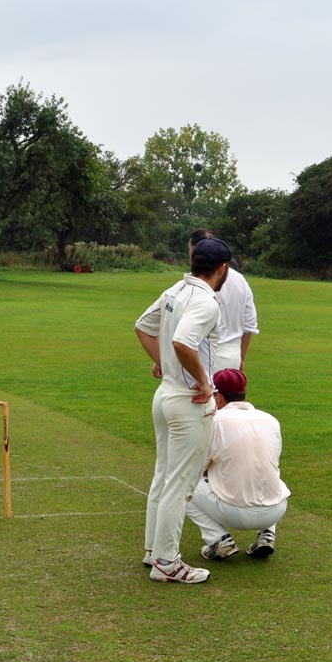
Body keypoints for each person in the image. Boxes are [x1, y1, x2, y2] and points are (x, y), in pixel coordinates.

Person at [134, 237, 233, 584]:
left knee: (164, 475)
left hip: (165, 396)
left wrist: (162, 363)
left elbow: (143, 327)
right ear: (223, 268)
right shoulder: (207, 302)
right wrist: (205, 383)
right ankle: (166, 562)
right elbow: (182, 342)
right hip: (188, 402)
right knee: (181, 483)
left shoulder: (175, 289)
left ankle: (153, 550)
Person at [186, 368, 290, 560]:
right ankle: (267, 534)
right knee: (267, 475)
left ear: (218, 397)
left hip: (233, 512)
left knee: (182, 484)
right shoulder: (271, 420)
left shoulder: (214, 421)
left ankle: (219, 540)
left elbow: (196, 468)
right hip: (276, 510)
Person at [188, 229, 259, 373]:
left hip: (201, 355)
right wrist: (241, 358)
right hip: (232, 356)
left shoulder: (193, 283)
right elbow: (249, 325)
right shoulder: (240, 280)